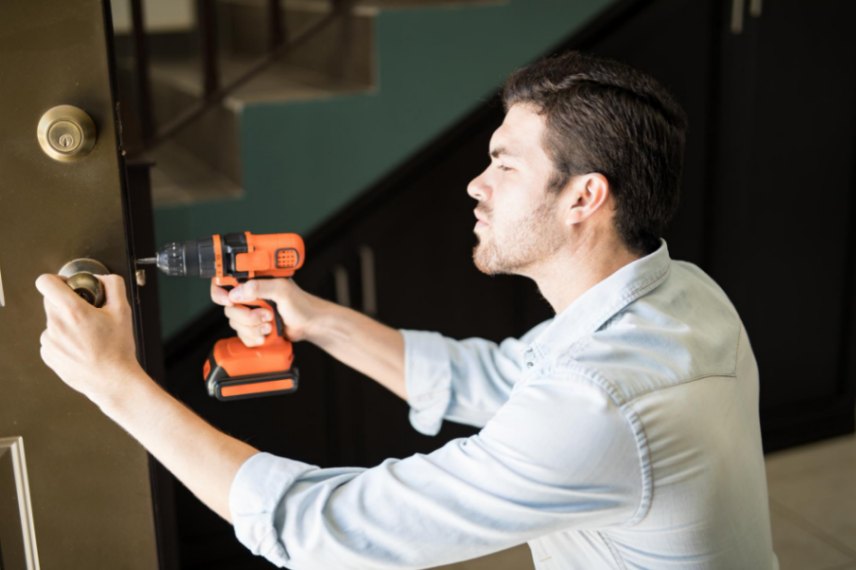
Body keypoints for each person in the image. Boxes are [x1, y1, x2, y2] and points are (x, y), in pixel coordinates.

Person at [36, 51, 778, 569]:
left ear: (586, 196)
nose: (475, 185)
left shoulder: (600, 405)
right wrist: (313, 318)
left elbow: (322, 530)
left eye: (505, 164)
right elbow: (494, 377)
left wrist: (114, 381)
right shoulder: (680, 295)